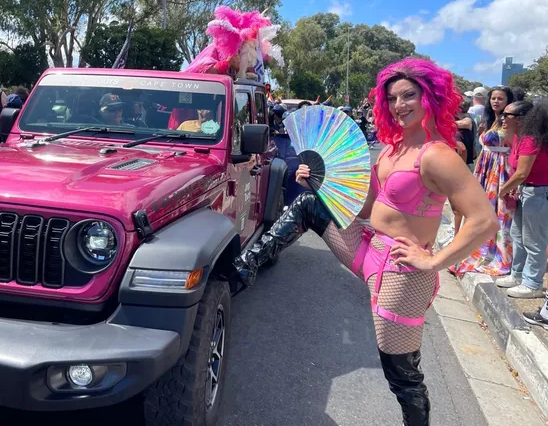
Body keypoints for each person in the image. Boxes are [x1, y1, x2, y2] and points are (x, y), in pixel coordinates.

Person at [233, 59, 498, 426]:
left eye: (409, 95)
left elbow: (484, 221)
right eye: (391, 98)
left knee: (402, 376)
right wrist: (318, 184)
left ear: (430, 97)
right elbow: (368, 208)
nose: (399, 105)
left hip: (403, 274)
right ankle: (242, 270)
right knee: (310, 204)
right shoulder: (392, 148)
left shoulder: (438, 155)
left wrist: (433, 261)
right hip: (367, 249)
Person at [450, 86, 515, 276]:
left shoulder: (510, 121)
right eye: (493, 98)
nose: (496, 101)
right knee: (480, 208)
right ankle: (474, 247)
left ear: (508, 101)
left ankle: (497, 253)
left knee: (498, 210)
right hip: (485, 167)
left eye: (500, 99)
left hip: (500, 168)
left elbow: (514, 145)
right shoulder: (490, 120)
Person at [495, 101, 548, 299]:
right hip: (526, 192)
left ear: (521, 119)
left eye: (507, 115)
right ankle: (518, 275)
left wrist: (502, 191)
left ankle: (532, 284)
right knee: (517, 235)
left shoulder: (531, 139)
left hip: (538, 193)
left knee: (534, 241)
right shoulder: (520, 137)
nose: (502, 118)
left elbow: (522, 173)